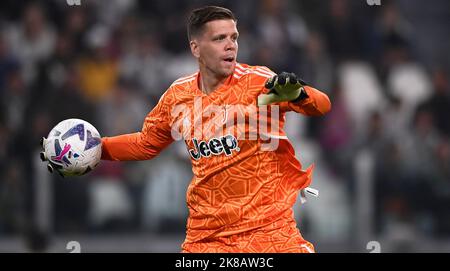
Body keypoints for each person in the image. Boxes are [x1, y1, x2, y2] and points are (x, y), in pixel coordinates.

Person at [49, 6, 331, 253]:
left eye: (233, 38)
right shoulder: (179, 95)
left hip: (269, 234)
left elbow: (321, 105)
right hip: (207, 239)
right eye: (219, 38)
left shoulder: (260, 82)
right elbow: (146, 144)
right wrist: (96, 148)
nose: (230, 46)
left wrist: (297, 95)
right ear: (196, 48)